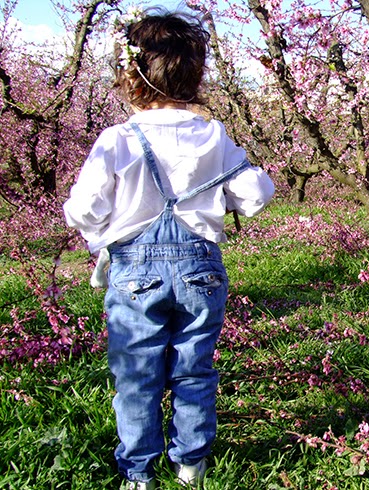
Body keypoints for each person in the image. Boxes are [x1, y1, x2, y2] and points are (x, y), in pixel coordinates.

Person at [63, 7, 275, 489]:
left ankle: (139, 474)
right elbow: (256, 196)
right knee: (194, 367)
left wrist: (97, 226)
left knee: (137, 375)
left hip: (135, 275)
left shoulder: (117, 139)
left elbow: (84, 209)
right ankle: (191, 464)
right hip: (201, 268)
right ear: (195, 74)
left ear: (130, 76)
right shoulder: (213, 134)